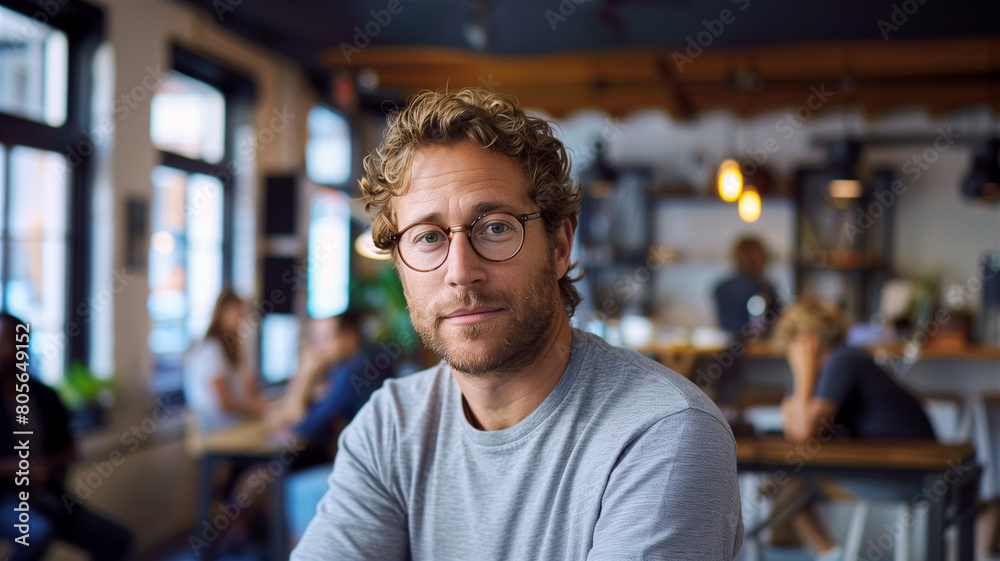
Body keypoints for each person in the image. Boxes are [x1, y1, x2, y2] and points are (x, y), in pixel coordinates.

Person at [292, 87, 743, 560]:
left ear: (560, 246)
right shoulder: (391, 427)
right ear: (401, 265)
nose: (461, 271)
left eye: (496, 226)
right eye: (428, 237)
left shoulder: (663, 433)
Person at [769, 297, 935, 559]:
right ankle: (831, 555)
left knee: (787, 483)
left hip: (913, 476)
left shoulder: (844, 359)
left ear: (808, 340)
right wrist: (802, 376)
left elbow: (802, 434)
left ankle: (830, 556)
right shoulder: (823, 369)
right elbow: (794, 430)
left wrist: (803, 375)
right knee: (783, 481)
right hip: (887, 468)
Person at [0, 312, 133, 560]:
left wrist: (44, 468)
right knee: (36, 534)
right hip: (5, 499)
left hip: (49, 495)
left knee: (118, 539)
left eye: (13, 343)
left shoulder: (45, 396)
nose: (6, 350)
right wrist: (16, 469)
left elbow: (70, 449)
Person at [184, 287, 269, 432]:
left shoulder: (233, 347)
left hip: (231, 422)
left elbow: (248, 387)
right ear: (222, 314)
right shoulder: (211, 350)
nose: (241, 321)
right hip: (218, 427)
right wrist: (256, 406)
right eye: (237, 315)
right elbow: (224, 403)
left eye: (243, 316)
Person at [713, 235, 779, 337]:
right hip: (757, 348)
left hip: (728, 347)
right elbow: (764, 327)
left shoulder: (720, 288)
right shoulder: (763, 288)